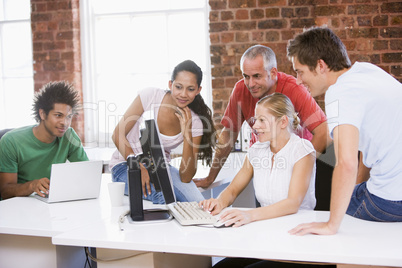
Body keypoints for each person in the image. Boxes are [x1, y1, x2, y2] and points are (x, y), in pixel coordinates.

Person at [287, 26, 402, 236]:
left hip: (390, 202)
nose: (298, 80)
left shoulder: (340, 92)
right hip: (395, 193)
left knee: (323, 207)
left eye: (300, 71)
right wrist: (357, 187)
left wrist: (331, 225)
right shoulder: (367, 72)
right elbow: (371, 148)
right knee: (350, 190)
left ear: (320, 66)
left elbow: (346, 163)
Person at [201, 93, 317, 267]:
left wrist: (249, 215)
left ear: (283, 122)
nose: (255, 125)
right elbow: (233, 190)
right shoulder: (257, 150)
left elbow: (293, 203)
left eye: (262, 120)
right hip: (265, 235)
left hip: (296, 238)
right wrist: (219, 202)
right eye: (255, 120)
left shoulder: (301, 150)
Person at [194, 45, 329, 189]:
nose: (251, 84)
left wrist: (299, 169)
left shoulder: (295, 89)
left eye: (257, 76)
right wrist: (210, 178)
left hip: (299, 162)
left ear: (273, 72)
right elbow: (228, 135)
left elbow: (324, 133)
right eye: (246, 76)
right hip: (265, 163)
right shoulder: (240, 90)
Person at [110, 60, 215, 204]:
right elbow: (117, 134)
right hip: (125, 165)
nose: (183, 94)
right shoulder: (150, 96)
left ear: (198, 90)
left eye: (190, 89)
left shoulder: (195, 122)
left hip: (161, 169)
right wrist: (138, 167)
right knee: (163, 196)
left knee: (197, 203)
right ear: (170, 84)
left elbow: (186, 177)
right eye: (178, 87)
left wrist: (187, 134)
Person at [0, 81, 88, 200]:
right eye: (58, 115)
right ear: (42, 114)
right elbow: (5, 191)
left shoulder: (69, 136)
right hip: (20, 206)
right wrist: (32, 186)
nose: (64, 122)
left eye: (68, 116)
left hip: (50, 203)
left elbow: (86, 173)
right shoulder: (11, 141)